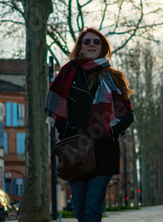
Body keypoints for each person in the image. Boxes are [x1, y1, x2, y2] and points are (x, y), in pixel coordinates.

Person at [45, 27, 134, 222]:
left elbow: (127, 114)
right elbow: (55, 109)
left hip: (104, 149)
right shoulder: (68, 74)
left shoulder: (114, 77)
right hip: (75, 150)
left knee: (93, 209)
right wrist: (67, 134)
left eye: (96, 42)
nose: (91, 45)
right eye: (87, 42)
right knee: (80, 212)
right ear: (80, 47)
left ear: (103, 48)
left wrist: (110, 131)